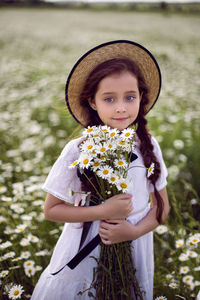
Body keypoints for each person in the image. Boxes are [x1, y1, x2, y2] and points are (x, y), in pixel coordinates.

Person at [31, 40, 170, 300]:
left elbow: (162, 209)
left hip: (133, 246)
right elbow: (51, 210)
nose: (121, 107)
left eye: (130, 97)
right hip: (85, 251)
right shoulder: (78, 149)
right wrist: (104, 211)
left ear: (141, 97)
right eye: (109, 98)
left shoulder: (148, 146)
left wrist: (133, 231)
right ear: (92, 102)